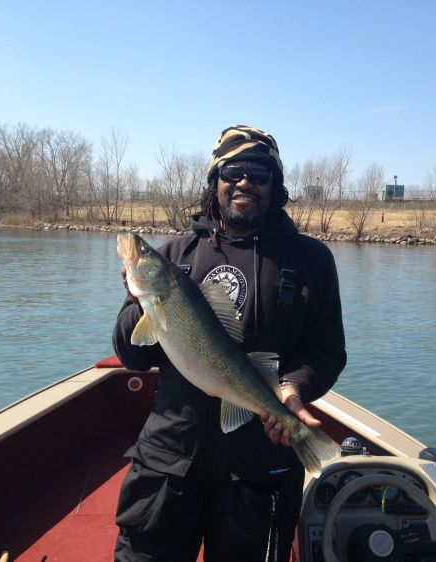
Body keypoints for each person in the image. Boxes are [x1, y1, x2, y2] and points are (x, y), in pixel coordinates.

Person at [112, 125, 346, 562]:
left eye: (258, 174)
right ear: (214, 180)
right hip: (168, 463)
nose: (244, 182)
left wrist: (291, 390)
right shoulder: (173, 256)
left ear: (275, 185)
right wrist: (135, 297)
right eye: (233, 171)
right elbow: (133, 355)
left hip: (260, 471)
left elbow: (327, 352)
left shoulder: (311, 260)